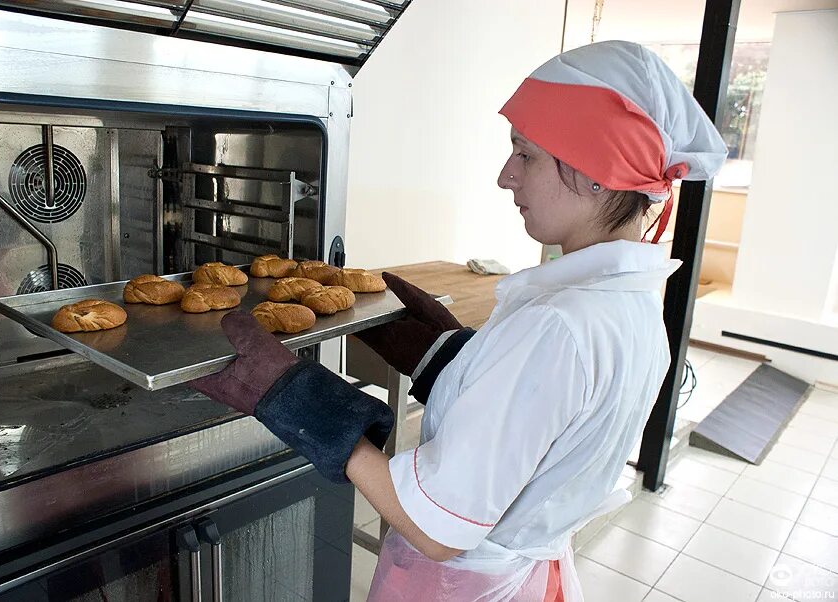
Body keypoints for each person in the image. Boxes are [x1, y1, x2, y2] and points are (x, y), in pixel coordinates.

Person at [192, 40, 727, 601]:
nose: (505, 175)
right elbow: (538, 425)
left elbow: (435, 529)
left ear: (597, 172)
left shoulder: (559, 325)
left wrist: (290, 396)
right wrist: (446, 354)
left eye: (526, 154)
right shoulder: (628, 306)